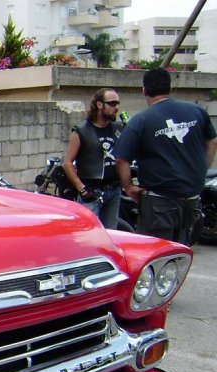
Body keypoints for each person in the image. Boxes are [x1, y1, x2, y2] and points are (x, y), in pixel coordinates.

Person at [115, 68, 217, 245]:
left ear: (144, 90)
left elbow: (121, 159)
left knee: (156, 251)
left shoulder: (141, 120)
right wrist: (201, 170)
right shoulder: (196, 111)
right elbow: (212, 141)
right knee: (181, 249)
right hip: (191, 199)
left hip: (158, 202)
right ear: (169, 88)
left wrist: (129, 187)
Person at [61, 88, 123, 229]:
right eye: (112, 103)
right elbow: (67, 163)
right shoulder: (81, 131)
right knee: (89, 232)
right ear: (99, 105)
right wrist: (81, 188)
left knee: (110, 233)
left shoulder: (118, 129)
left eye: (117, 103)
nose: (116, 107)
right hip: (92, 191)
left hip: (114, 189)